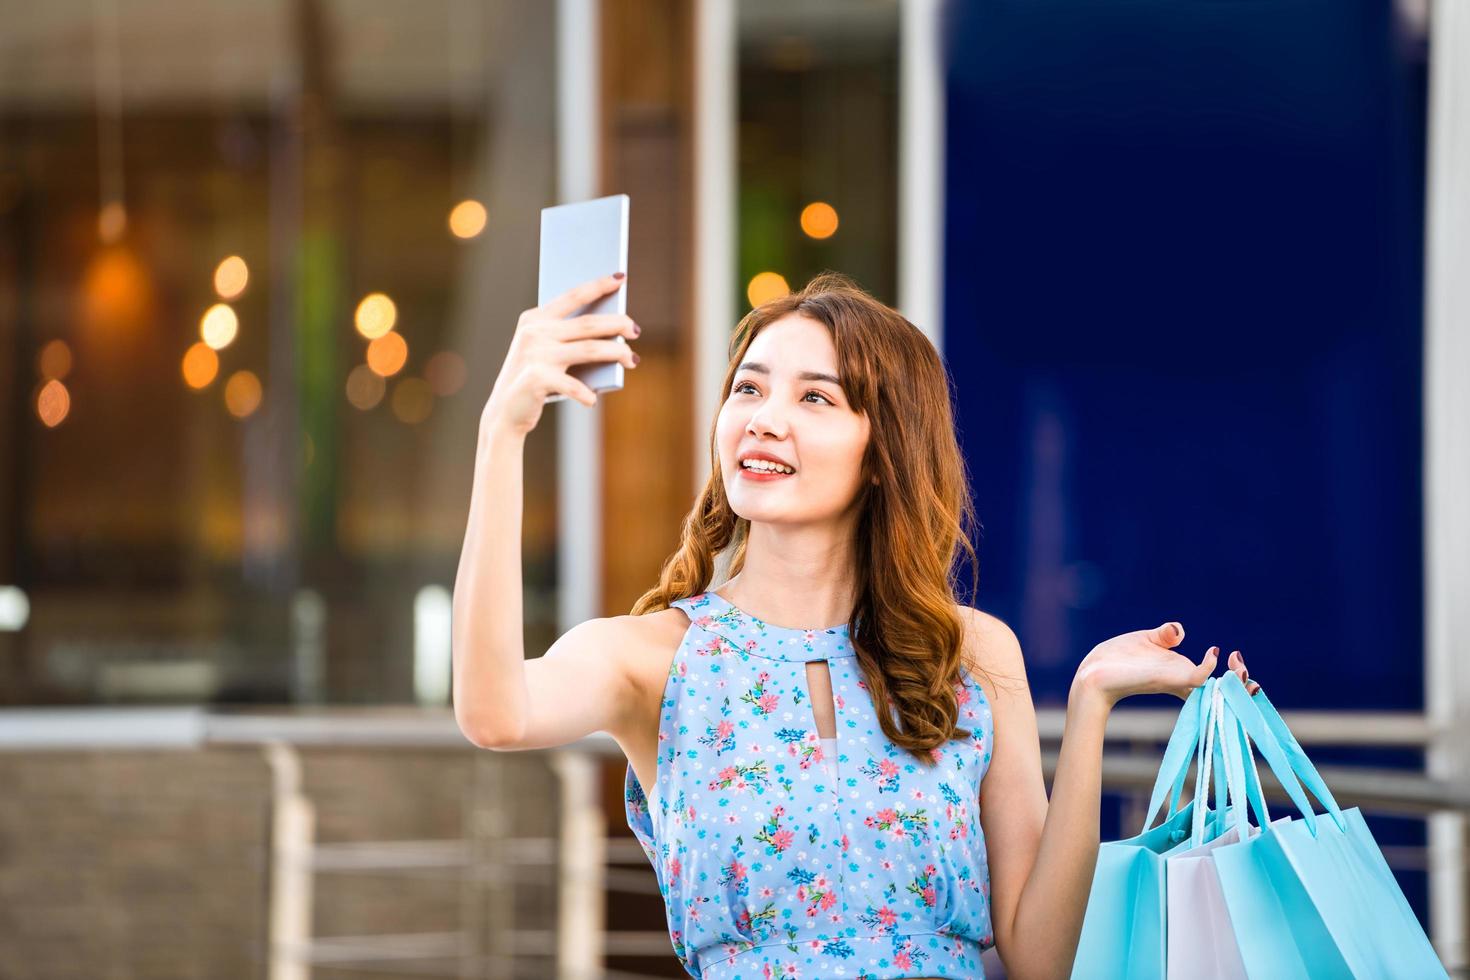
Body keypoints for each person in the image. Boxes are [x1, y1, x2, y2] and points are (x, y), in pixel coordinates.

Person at [452, 269, 1260, 979]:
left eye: (814, 397)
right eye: (748, 388)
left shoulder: (971, 654)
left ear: (883, 451)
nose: (765, 418)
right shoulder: (656, 654)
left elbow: (1040, 958)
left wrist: (1090, 706)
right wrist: (503, 432)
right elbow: (495, 713)